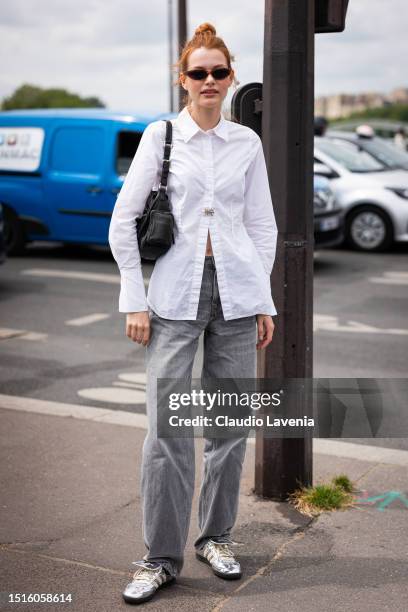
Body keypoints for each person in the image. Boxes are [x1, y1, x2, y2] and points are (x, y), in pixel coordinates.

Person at [108, 22, 278, 605]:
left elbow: (260, 226)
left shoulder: (246, 144)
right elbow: (124, 219)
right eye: (199, 73)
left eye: (219, 72)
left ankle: (216, 537)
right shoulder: (162, 137)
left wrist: (264, 301)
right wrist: (134, 297)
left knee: (230, 430)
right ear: (183, 81)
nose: (210, 81)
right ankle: (159, 557)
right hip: (175, 299)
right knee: (167, 432)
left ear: (231, 78)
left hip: (237, 296)